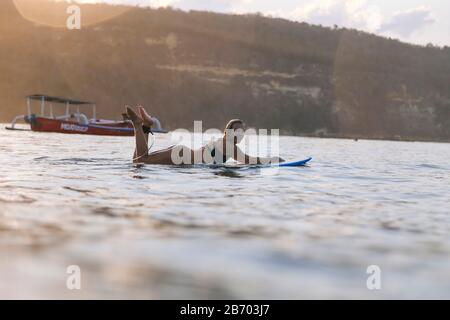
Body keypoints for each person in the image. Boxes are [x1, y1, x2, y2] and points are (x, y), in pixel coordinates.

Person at [126, 106, 285, 165]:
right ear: (228, 132)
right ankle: (139, 125)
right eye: (237, 130)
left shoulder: (223, 143)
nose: (240, 134)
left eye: (242, 131)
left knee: (139, 161)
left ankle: (145, 125)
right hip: (181, 156)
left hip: (181, 153)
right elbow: (250, 161)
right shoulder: (229, 147)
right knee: (141, 161)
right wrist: (274, 160)